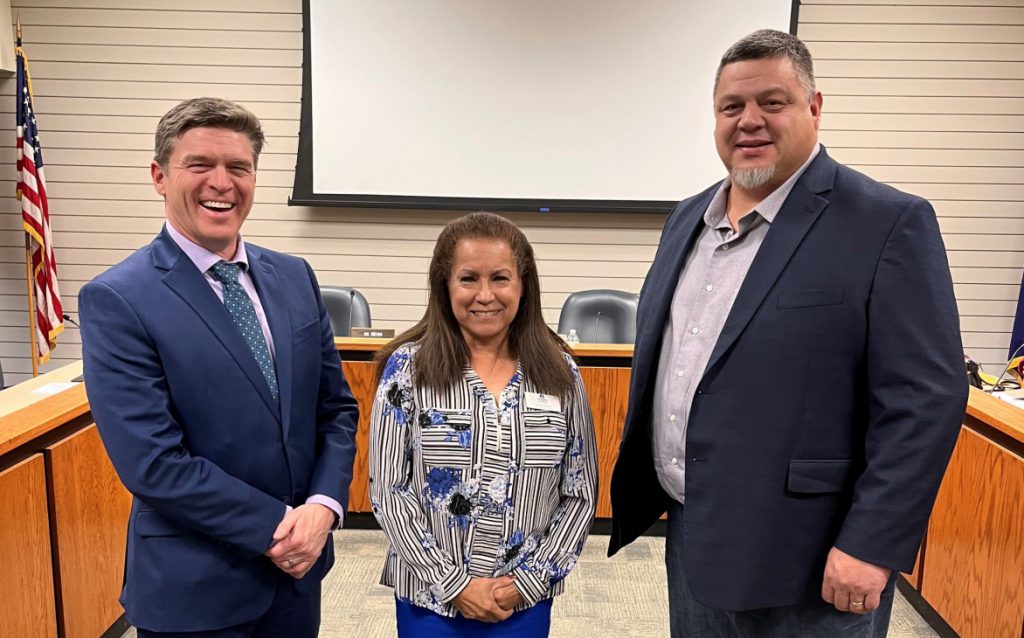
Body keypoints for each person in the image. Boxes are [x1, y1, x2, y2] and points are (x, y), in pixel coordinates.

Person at [608, 29, 968, 637]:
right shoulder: (686, 219)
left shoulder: (887, 222)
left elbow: (925, 399)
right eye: (731, 107)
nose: (749, 121)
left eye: (771, 102)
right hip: (694, 537)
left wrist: (872, 544)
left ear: (814, 107)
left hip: (814, 562)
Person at [79, 97, 359, 637]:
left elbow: (336, 410)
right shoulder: (118, 298)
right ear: (160, 176)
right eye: (200, 165)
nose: (221, 183)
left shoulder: (294, 276)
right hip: (195, 590)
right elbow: (154, 463)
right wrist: (282, 528)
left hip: (297, 583)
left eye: (238, 167)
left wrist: (323, 507)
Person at [369, 212, 597, 637]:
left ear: (523, 285)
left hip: (522, 602)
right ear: (445, 285)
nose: (485, 295)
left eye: (501, 279)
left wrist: (528, 581)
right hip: (430, 601)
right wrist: (454, 585)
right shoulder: (407, 369)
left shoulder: (560, 372)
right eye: (468, 278)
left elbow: (580, 493)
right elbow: (388, 490)